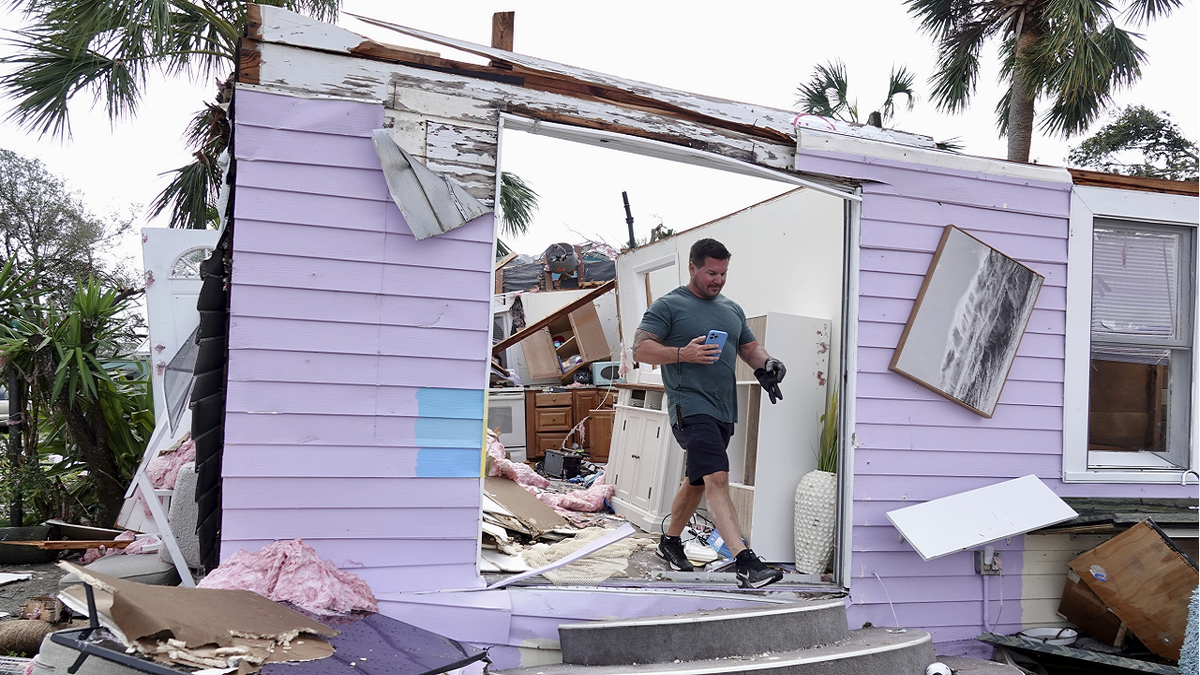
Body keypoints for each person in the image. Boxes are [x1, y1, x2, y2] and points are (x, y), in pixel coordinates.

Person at [633, 238, 787, 589]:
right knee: (717, 476)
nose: (718, 280)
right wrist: (681, 355)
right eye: (711, 273)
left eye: (723, 273)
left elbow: (748, 347)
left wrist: (768, 363)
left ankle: (670, 542)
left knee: (699, 480)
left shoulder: (731, 309)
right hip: (690, 405)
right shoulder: (669, 305)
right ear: (692, 267)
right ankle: (745, 562)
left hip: (723, 408)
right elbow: (641, 348)